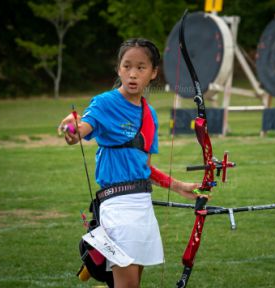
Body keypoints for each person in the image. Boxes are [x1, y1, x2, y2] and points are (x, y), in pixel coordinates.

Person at [59, 38, 199, 288]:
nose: (133, 74)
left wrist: (177, 185)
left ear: (153, 73)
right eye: (127, 66)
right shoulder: (104, 103)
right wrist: (70, 127)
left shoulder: (150, 115)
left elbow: (143, 166)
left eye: (141, 67)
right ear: (118, 69)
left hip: (143, 206)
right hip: (116, 207)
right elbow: (79, 129)